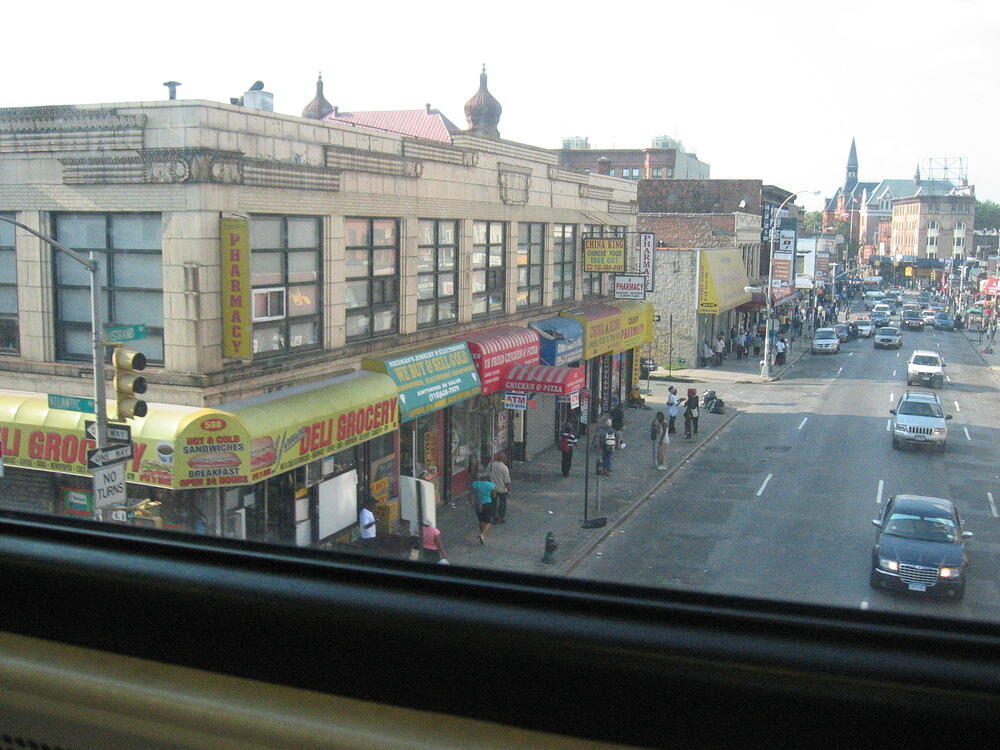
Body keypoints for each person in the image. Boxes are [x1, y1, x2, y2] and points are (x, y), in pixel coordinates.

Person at [470, 473, 496, 544]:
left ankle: (481, 533)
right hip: (487, 503)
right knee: (489, 521)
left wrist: (471, 502)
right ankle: (482, 534)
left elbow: (471, 493)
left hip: (478, 504)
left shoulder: (475, 484)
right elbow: (494, 495)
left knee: (481, 520)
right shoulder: (490, 485)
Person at [489, 456, 511, 524]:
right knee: (502, 503)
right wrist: (509, 490)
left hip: (493, 488)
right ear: (503, 459)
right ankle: (501, 517)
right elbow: (507, 481)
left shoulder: (491, 465)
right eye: (505, 459)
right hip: (502, 489)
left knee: (493, 503)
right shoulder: (504, 468)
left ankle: (494, 517)